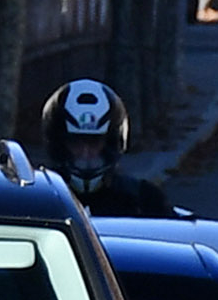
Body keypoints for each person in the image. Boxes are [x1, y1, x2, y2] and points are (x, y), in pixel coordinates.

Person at [38, 79, 174, 219]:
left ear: (111, 142)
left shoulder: (145, 200)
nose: (86, 152)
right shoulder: (38, 200)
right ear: (59, 144)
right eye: (76, 142)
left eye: (94, 142)